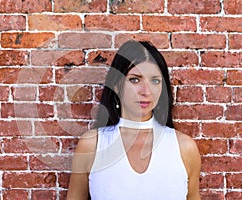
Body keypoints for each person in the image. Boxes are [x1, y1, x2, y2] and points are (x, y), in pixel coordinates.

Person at [66, 40, 201, 200]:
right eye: (135, 80)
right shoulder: (92, 145)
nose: (146, 91)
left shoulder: (185, 148)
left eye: (155, 81)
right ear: (116, 84)